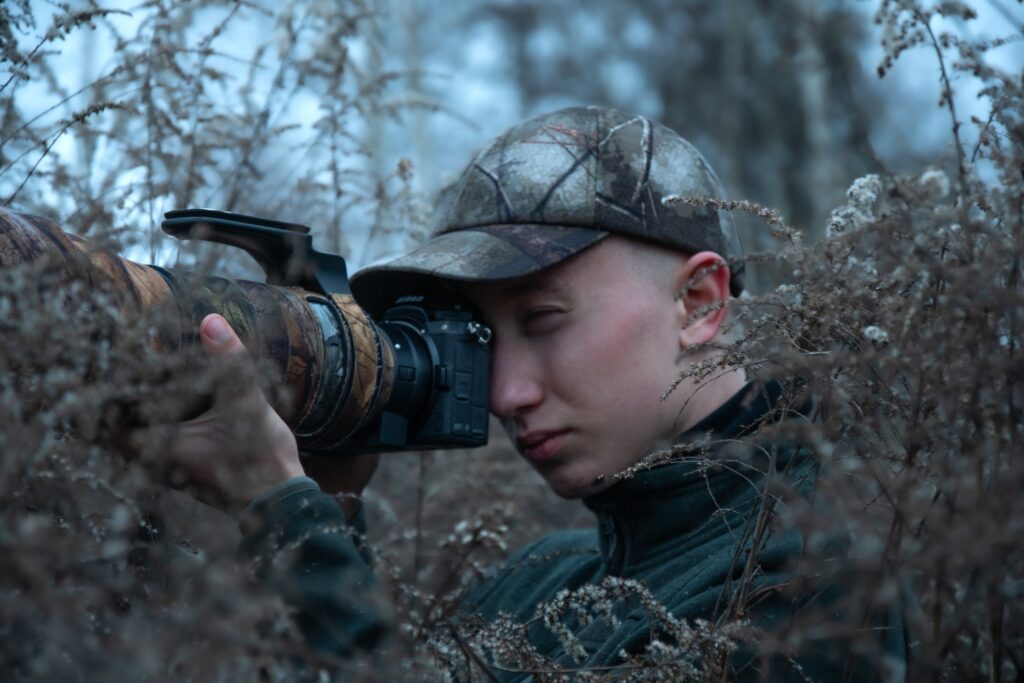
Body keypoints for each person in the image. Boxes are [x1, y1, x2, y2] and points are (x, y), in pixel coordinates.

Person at [161, 106, 907, 680]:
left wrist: (286, 519)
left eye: (544, 318)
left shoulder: (811, 584)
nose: (505, 393)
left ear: (701, 302)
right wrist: (327, 503)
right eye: (482, 338)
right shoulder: (536, 583)